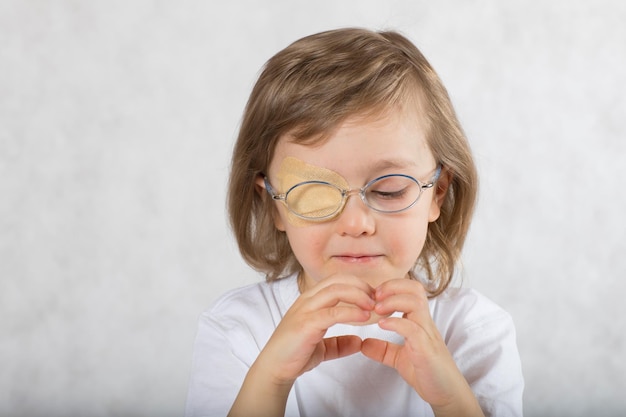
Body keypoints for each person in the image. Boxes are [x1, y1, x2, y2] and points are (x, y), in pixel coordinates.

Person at [185, 27, 524, 417]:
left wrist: (451, 400)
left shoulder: (475, 331)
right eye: (314, 193)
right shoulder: (237, 329)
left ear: (439, 192)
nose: (357, 223)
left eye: (390, 190)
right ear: (275, 204)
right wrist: (271, 379)